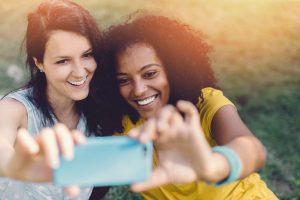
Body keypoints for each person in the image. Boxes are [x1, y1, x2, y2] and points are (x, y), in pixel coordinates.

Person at [90, 12, 278, 199]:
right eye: (124, 80)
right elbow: (97, 179)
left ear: (174, 69)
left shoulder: (206, 104)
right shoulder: (123, 123)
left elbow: (252, 150)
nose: (138, 90)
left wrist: (213, 166)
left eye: (150, 74)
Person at [0, 0, 107, 199]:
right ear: (39, 62)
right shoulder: (16, 109)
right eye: (63, 61)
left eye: (87, 55)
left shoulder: (99, 110)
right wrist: (11, 164)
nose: (79, 72)